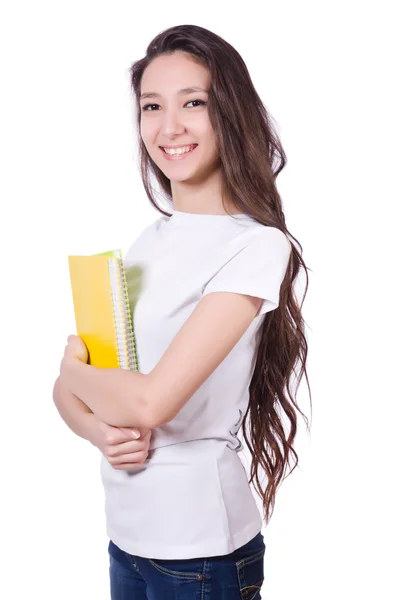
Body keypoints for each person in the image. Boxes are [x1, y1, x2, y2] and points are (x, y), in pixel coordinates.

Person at [53, 24, 311, 600]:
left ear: (231, 113)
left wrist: (75, 372)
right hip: (128, 538)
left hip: (200, 554)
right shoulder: (149, 240)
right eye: (152, 106)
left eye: (193, 102)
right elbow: (76, 399)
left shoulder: (256, 246)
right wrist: (98, 429)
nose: (169, 127)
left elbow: (149, 401)